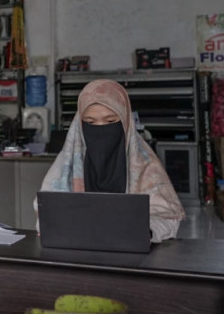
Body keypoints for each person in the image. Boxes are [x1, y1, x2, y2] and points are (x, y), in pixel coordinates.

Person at [35, 79, 185, 242]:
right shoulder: (67, 165)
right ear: (79, 125)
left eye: (110, 121)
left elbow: (168, 219)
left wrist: (144, 231)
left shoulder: (144, 166)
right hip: (77, 252)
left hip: (131, 255)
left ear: (125, 122)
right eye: (90, 122)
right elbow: (44, 213)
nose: (100, 128)